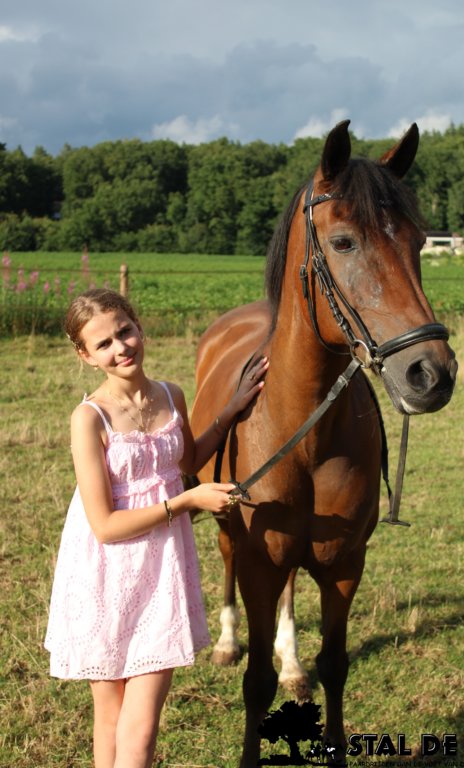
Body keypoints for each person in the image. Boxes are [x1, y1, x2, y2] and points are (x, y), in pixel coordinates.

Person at [44, 288, 268, 768]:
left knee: (141, 725)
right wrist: (186, 501)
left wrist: (231, 409)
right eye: (103, 344)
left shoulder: (171, 395)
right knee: (113, 718)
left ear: (139, 328)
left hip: (160, 570)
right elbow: (104, 526)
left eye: (124, 332)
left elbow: (189, 458)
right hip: (104, 573)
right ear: (86, 357)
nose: (120, 347)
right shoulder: (89, 419)